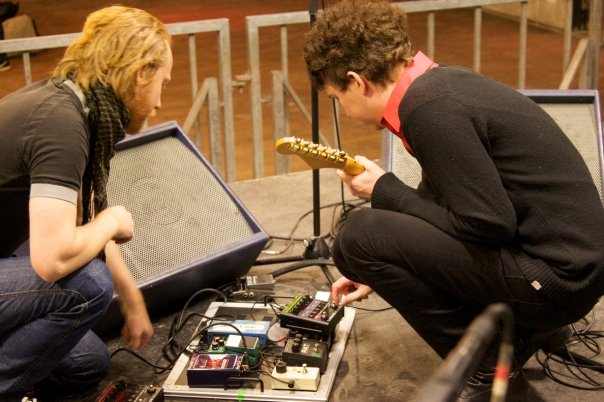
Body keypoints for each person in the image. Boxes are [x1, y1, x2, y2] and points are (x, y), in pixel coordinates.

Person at [303, 1, 604, 401]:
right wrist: (383, 264)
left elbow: (488, 223)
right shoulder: (439, 86)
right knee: (375, 237)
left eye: (335, 96)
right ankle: (529, 330)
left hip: (558, 283)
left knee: (359, 235)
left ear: (358, 82)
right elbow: (453, 197)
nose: (342, 107)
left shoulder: (430, 109)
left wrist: (384, 192)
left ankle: (488, 365)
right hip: (570, 268)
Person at [0, 5, 172, 400]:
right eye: (163, 81)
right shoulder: (59, 124)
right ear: (141, 73)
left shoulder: (74, 106)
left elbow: (79, 228)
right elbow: (54, 258)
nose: (161, 100)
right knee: (88, 284)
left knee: (86, 363)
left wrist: (133, 301)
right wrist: (112, 221)